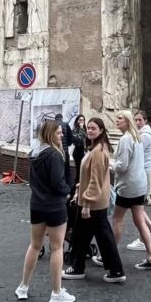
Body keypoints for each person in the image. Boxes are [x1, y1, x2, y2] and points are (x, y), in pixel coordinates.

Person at [15, 118, 75, 302]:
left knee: (34, 245)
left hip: (37, 205)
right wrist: (67, 191)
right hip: (55, 206)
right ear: (50, 134)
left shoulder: (34, 153)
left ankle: (23, 286)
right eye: (58, 132)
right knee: (57, 248)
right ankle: (56, 292)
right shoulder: (54, 155)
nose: (62, 135)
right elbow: (58, 182)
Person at [63, 117, 125, 283]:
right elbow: (89, 177)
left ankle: (79, 268)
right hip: (95, 201)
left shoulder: (98, 151)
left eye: (93, 128)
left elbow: (95, 180)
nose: (90, 130)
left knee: (82, 236)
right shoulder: (96, 148)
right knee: (98, 237)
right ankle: (114, 270)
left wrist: (87, 203)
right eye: (88, 128)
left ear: (101, 131)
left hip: (92, 204)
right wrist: (79, 189)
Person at [109, 110, 151, 271]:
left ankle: (110, 254)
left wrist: (109, 164)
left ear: (127, 121)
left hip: (128, 187)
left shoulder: (125, 139)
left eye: (120, 118)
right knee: (139, 221)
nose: (117, 120)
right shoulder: (136, 136)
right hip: (139, 184)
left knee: (117, 219)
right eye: (116, 118)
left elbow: (122, 166)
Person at [134, 111, 151, 205]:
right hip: (145, 167)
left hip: (146, 167)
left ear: (145, 121)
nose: (137, 123)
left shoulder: (145, 135)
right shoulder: (142, 133)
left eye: (140, 120)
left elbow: (137, 151)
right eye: (135, 120)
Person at [55, 113, 74, 189]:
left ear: (55, 118)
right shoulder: (66, 125)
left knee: (58, 171)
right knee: (67, 171)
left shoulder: (52, 125)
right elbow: (70, 139)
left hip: (55, 151)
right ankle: (68, 187)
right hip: (65, 151)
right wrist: (67, 145)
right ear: (61, 118)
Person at [71, 115, 87, 186]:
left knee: (83, 170)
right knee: (79, 170)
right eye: (80, 120)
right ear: (77, 121)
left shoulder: (84, 129)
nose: (81, 122)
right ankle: (76, 187)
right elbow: (78, 140)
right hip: (77, 152)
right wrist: (81, 129)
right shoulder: (74, 130)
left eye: (83, 120)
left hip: (83, 151)